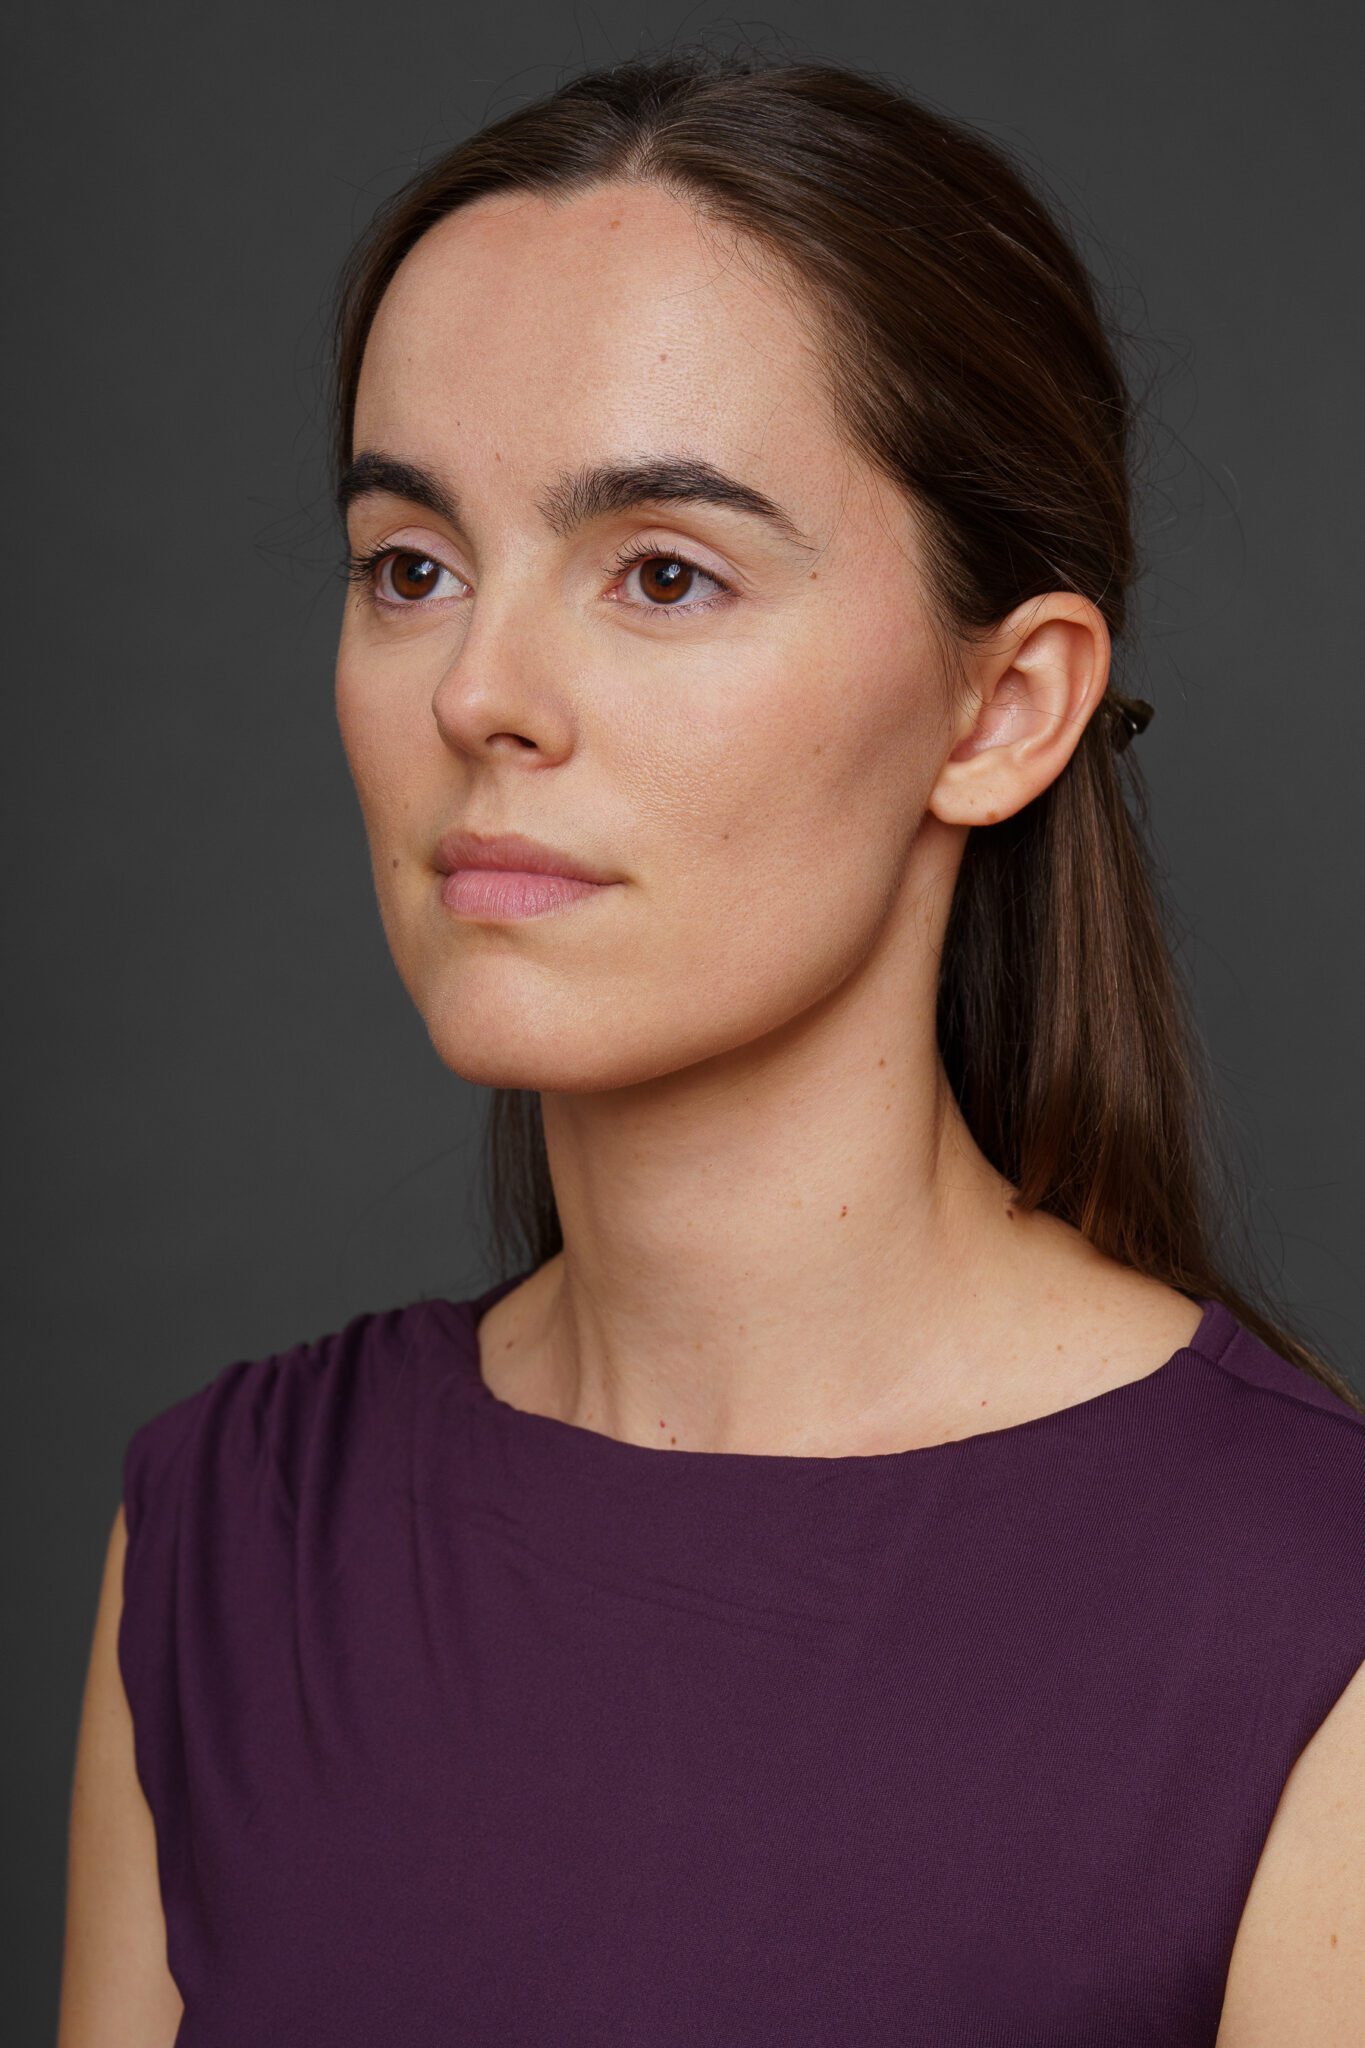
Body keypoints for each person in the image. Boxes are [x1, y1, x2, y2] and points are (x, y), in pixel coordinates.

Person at [58, 47, 1364, 2047]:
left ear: (1001, 709)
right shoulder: (227, 1536)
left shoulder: (1308, 1620)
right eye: (411, 567)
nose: (479, 691)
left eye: (662, 572)